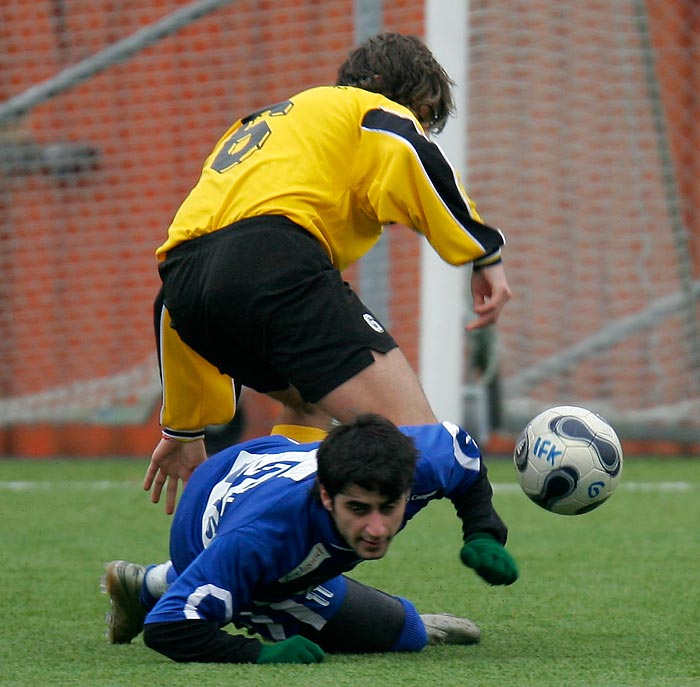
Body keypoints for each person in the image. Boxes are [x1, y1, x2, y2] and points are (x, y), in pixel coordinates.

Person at [146, 32, 512, 514]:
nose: (420, 130)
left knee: (312, 405)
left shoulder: (268, 127)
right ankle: (277, 562)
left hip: (186, 289)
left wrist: (184, 425)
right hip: (273, 265)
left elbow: (180, 285)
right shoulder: (368, 110)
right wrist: (483, 253)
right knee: (419, 451)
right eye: (422, 117)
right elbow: (411, 150)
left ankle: (233, 550)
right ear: (389, 90)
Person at [105, 414, 518, 664]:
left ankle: (158, 581)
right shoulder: (267, 537)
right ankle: (156, 587)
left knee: (392, 627)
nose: (376, 529)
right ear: (326, 494)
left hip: (260, 464)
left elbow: (464, 455)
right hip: (208, 532)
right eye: (358, 509)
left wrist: (483, 533)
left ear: (408, 490)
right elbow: (168, 628)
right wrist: (258, 655)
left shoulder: (421, 464)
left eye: (388, 508)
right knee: (403, 633)